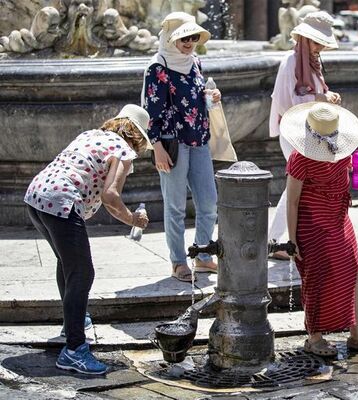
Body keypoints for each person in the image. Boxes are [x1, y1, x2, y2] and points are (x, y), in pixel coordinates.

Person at [24, 104, 152, 375]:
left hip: (35, 196)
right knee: (83, 272)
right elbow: (111, 197)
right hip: (61, 201)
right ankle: (74, 350)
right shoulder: (123, 150)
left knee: (67, 264)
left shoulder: (90, 135)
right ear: (137, 136)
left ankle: (74, 324)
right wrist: (133, 220)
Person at [282, 102, 358, 357]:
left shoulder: (343, 149)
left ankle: (357, 336)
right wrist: (292, 241)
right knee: (316, 279)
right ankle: (314, 338)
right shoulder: (300, 157)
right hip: (311, 225)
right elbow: (292, 202)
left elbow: (352, 171)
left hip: (339, 219)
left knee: (353, 272)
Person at [142, 12, 221, 281]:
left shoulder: (195, 62)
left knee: (209, 202)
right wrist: (156, 148)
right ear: (170, 38)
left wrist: (211, 96)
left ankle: (202, 255)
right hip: (171, 143)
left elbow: (198, 99)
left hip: (198, 138)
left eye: (193, 37)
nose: (189, 42)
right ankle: (177, 261)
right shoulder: (158, 67)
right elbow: (150, 111)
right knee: (174, 206)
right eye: (183, 37)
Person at [268, 11, 342, 260]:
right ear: (303, 38)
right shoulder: (291, 61)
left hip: (310, 131)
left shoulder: (311, 61)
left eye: (322, 42)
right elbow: (284, 102)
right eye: (316, 41)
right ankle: (275, 241)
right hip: (293, 132)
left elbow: (308, 96)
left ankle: (277, 240)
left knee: (297, 185)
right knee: (296, 184)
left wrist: (326, 98)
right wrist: (320, 98)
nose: (320, 46)